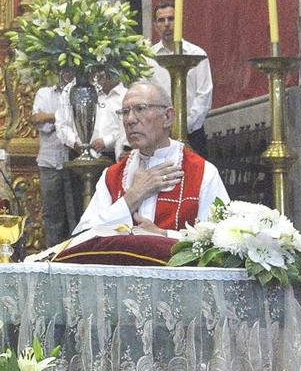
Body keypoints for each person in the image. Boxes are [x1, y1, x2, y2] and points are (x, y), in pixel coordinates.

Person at [73, 81, 227, 236]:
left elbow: (221, 243)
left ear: (167, 117)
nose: (130, 120)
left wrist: (163, 235)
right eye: (125, 111)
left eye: (140, 109)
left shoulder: (202, 173)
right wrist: (132, 196)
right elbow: (82, 235)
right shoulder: (112, 176)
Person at [143, 1, 213, 136]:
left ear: (180, 20)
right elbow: (146, 98)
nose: (167, 24)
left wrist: (184, 125)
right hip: (159, 132)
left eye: (171, 18)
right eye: (161, 20)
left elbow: (204, 95)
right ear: (155, 26)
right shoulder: (148, 59)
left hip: (192, 131)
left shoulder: (197, 54)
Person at [30, 79, 83, 247]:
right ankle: (52, 255)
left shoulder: (79, 92)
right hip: (50, 160)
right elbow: (38, 119)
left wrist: (51, 116)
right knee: (52, 213)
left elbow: (80, 120)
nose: (65, 72)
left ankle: (75, 253)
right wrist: (63, 116)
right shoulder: (45, 93)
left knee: (76, 212)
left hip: (76, 161)